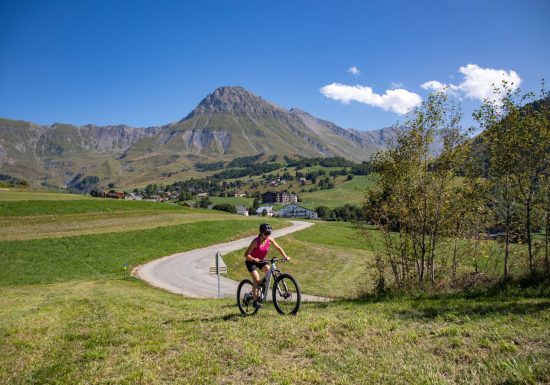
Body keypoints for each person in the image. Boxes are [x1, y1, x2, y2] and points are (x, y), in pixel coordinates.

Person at [244, 223, 290, 309]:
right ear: (261, 233)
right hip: (251, 261)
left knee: (269, 272)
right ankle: (255, 301)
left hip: (261, 260)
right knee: (257, 280)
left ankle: (258, 289)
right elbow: (246, 255)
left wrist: (285, 256)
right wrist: (254, 259)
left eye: (269, 233)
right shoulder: (255, 241)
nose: (268, 235)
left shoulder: (270, 240)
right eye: (266, 233)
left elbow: (278, 248)